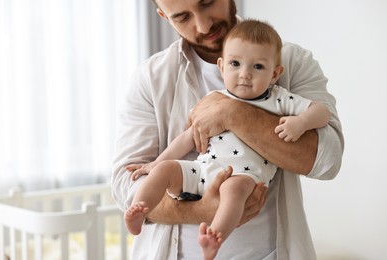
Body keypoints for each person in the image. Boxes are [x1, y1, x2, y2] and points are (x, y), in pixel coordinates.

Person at [111, 0, 344, 259]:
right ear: (164, 17)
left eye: (207, 2)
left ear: (275, 73)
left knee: (234, 191)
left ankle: (216, 235)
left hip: (266, 240)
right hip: (178, 233)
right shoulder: (150, 77)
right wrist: (199, 210)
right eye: (182, 17)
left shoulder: (291, 62)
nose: (203, 24)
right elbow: (125, 184)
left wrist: (233, 113)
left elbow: (328, 159)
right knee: (165, 170)